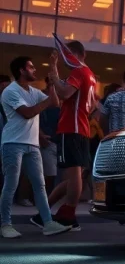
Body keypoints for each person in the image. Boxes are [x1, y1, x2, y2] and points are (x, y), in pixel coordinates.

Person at [1, 57, 71, 238]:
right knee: (11, 185)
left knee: (40, 185)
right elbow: (28, 113)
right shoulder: (10, 91)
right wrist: (47, 100)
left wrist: (52, 84)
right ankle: (5, 224)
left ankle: (48, 223)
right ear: (21, 70)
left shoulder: (33, 91)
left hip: (32, 144)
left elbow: (55, 103)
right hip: (13, 143)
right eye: (31, 67)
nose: (34, 70)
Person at [45, 41, 97, 230]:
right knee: (74, 177)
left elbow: (65, 93)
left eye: (64, 55)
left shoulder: (78, 72)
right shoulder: (90, 74)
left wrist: (53, 71)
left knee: (74, 176)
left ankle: (68, 214)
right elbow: (92, 105)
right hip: (81, 127)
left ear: (73, 53)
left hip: (71, 127)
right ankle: (45, 211)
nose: (63, 59)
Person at [38, 76, 60, 194]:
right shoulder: (40, 97)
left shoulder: (60, 98)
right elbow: (34, 118)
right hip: (47, 141)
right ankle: (42, 199)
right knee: (48, 175)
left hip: (58, 141)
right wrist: (40, 135)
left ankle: (49, 199)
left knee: (56, 176)